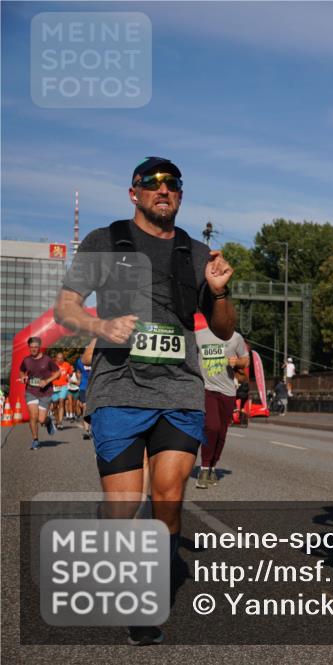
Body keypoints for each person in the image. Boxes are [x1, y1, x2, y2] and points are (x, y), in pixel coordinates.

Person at [54, 156, 236, 646]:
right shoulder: (105, 240)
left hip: (180, 390)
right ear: (133, 193)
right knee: (124, 505)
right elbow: (66, 305)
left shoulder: (196, 253)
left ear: (180, 194)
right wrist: (100, 326)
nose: (164, 190)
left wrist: (220, 291)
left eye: (173, 184)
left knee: (169, 497)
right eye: (152, 184)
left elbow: (223, 328)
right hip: (118, 389)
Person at [195, 326, 249, 488]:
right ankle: (204, 468)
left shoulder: (235, 337)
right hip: (207, 389)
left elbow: (246, 359)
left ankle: (212, 467)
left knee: (222, 431)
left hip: (228, 391)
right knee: (212, 426)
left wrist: (237, 362)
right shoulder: (198, 335)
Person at [18, 336, 60, 450]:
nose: (33, 349)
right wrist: (23, 377)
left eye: (36, 347)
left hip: (46, 392)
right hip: (31, 390)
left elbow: (58, 373)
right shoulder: (26, 360)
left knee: (41, 420)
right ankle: (35, 440)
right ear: (29, 347)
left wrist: (46, 381)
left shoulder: (47, 360)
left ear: (40, 347)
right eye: (31, 347)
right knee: (33, 416)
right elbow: (21, 371)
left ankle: (47, 421)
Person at [76, 339, 96, 440]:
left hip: (94, 386)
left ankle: (93, 428)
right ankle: (87, 430)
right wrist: (78, 380)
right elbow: (78, 371)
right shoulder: (79, 361)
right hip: (83, 386)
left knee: (93, 407)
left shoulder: (96, 359)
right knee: (85, 406)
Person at [50, 351, 73, 429]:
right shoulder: (52, 365)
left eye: (61, 358)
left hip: (63, 385)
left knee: (61, 401)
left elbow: (70, 373)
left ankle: (60, 422)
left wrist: (69, 376)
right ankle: (57, 421)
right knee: (55, 405)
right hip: (54, 386)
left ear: (63, 359)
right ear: (55, 359)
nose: (60, 360)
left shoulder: (67, 365)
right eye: (58, 358)